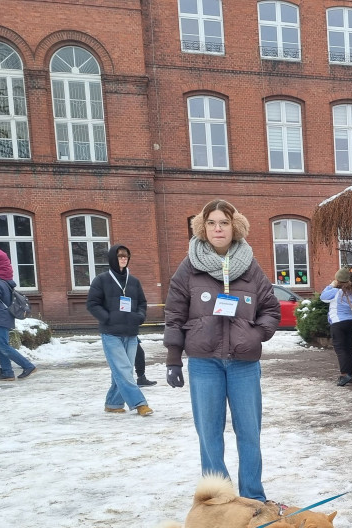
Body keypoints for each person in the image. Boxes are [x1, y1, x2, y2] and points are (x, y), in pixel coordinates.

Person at [163, 199, 280, 502]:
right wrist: (174, 358)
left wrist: (257, 334)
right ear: (203, 227)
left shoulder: (250, 266)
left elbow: (270, 308)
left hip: (244, 364)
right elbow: (174, 313)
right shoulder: (188, 267)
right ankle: (219, 499)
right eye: (212, 222)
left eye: (224, 223)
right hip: (204, 363)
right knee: (210, 435)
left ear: (234, 227)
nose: (218, 228)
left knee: (250, 435)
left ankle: (253, 497)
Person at [86, 244, 152, 416]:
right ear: (112, 259)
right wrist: (107, 318)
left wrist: (139, 316)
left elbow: (142, 303)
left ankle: (113, 403)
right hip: (111, 333)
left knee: (124, 369)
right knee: (123, 368)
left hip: (131, 332)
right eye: (120, 256)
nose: (123, 259)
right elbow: (92, 304)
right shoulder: (101, 280)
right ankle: (140, 403)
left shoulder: (134, 281)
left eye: (126, 256)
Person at [0, 250, 37, 382]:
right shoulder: (2, 282)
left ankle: (28, 366)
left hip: (0, 318)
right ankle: (7, 372)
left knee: (3, 346)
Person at [320, 267, 352, 386]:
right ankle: (349, 374)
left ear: (338, 280)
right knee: (349, 349)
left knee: (340, 349)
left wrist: (331, 285)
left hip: (338, 323)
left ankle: (344, 375)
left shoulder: (335, 292)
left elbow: (323, 297)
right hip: (350, 322)